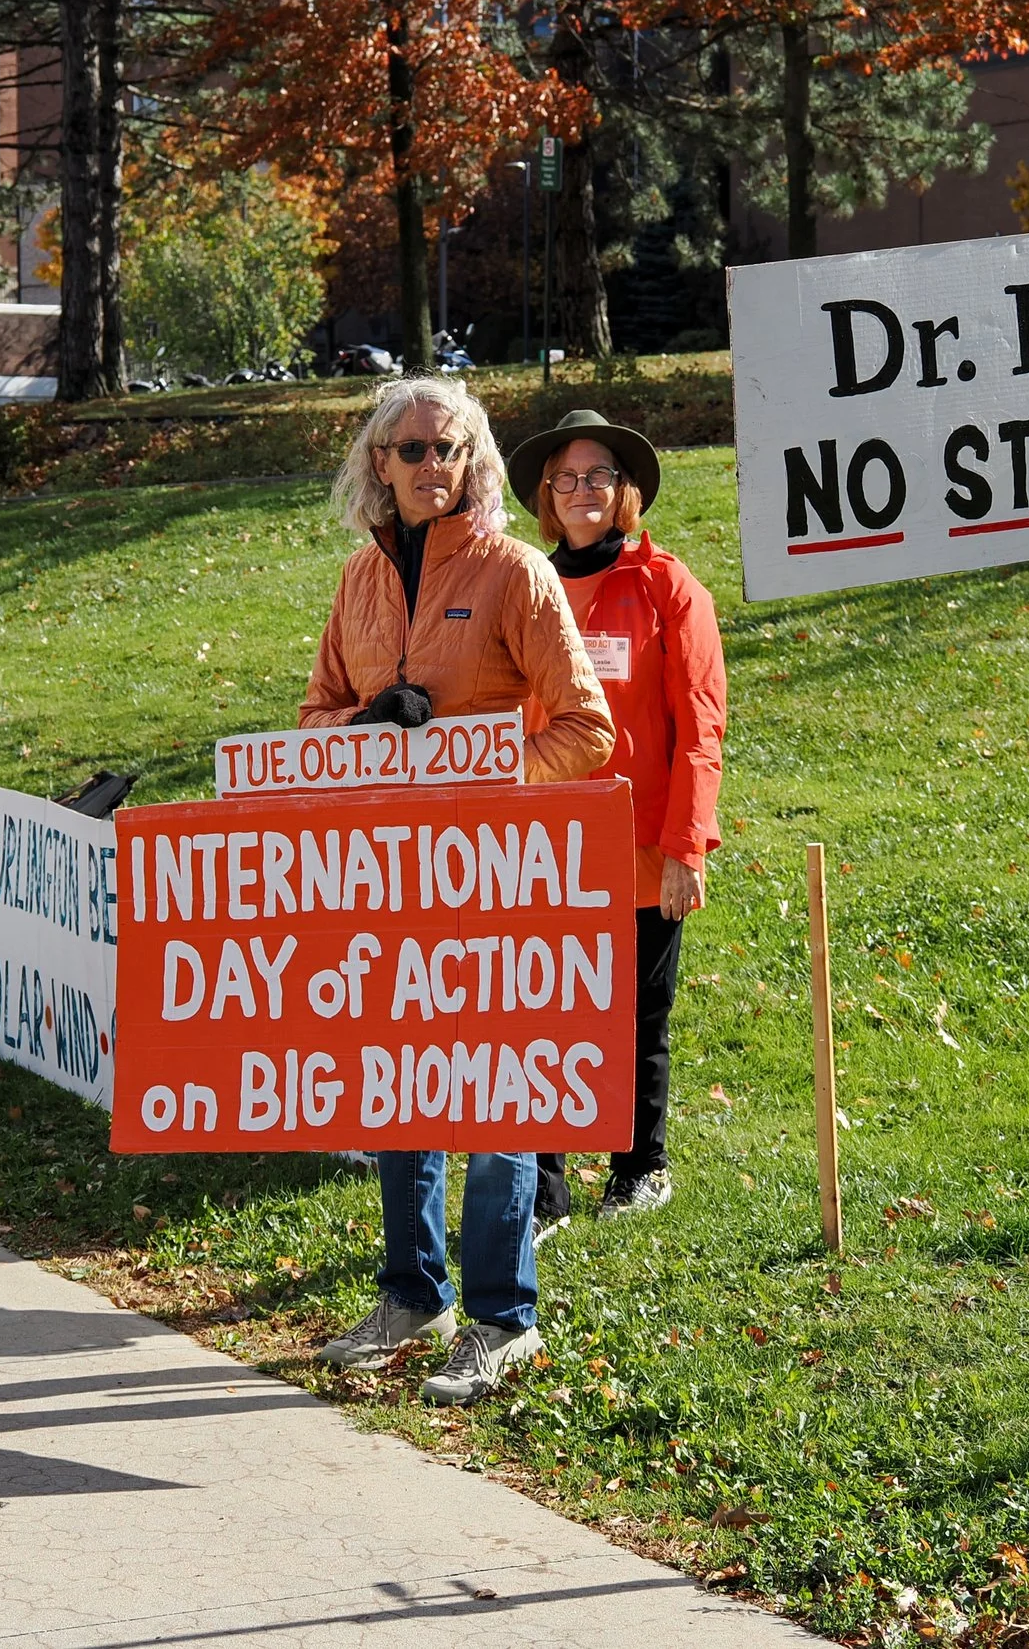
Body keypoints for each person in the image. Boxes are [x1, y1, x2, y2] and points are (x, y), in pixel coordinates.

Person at [300, 376, 615, 1406]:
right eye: (413, 450)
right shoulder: (354, 583)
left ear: (474, 460)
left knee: (497, 1099)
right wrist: (361, 729)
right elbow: (309, 726)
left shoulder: (518, 573)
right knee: (400, 1087)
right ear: (377, 466)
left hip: (501, 879)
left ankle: (499, 1319)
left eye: (451, 448)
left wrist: (477, 770)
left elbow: (585, 728)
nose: (433, 465)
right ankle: (410, 1292)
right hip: (388, 881)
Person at [508, 409, 728, 1227]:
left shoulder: (669, 588)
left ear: (625, 489)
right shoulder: (525, 583)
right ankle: (548, 1187)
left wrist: (685, 845)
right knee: (550, 1011)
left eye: (598, 475)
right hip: (542, 848)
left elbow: (702, 725)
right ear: (546, 496)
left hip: (640, 845)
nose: (581, 490)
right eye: (565, 478)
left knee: (638, 1011)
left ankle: (641, 1165)